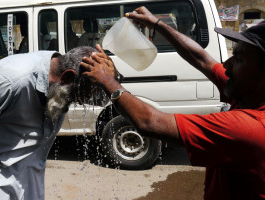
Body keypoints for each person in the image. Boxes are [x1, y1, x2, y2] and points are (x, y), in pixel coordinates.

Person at [81, 6, 265, 200]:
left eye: (239, 59)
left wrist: (108, 80)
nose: (226, 65)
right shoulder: (248, 93)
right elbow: (201, 59)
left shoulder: (250, 128)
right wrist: (158, 25)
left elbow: (149, 122)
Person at [0, 46, 116, 200]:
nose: (81, 102)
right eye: (80, 96)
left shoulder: (59, 85)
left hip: (28, 186)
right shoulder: (9, 81)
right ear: (67, 78)